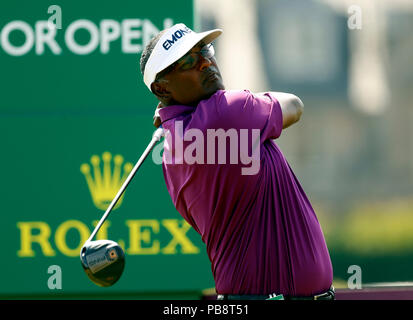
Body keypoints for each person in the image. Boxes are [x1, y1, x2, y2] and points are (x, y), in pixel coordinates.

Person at [140, 23, 334, 300]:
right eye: (189, 62)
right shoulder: (224, 113)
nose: (206, 63)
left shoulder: (172, 146)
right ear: (161, 88)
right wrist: (252, 103)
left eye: (204, 50)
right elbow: (294, 105)